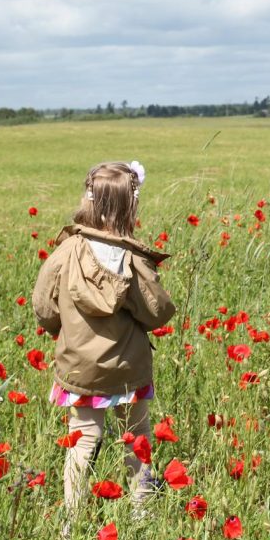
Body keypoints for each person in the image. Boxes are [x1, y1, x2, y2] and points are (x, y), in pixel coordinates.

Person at [32, 161, 176, 520]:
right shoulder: (133, 260)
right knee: (137, 434)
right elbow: (157, 312)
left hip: (79, 369)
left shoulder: (66, 252)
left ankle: (72, 521)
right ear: (130, 206)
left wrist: (63, 331)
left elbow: (43, 307)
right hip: (128, 367)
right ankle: (142, 509)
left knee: (83, 439)